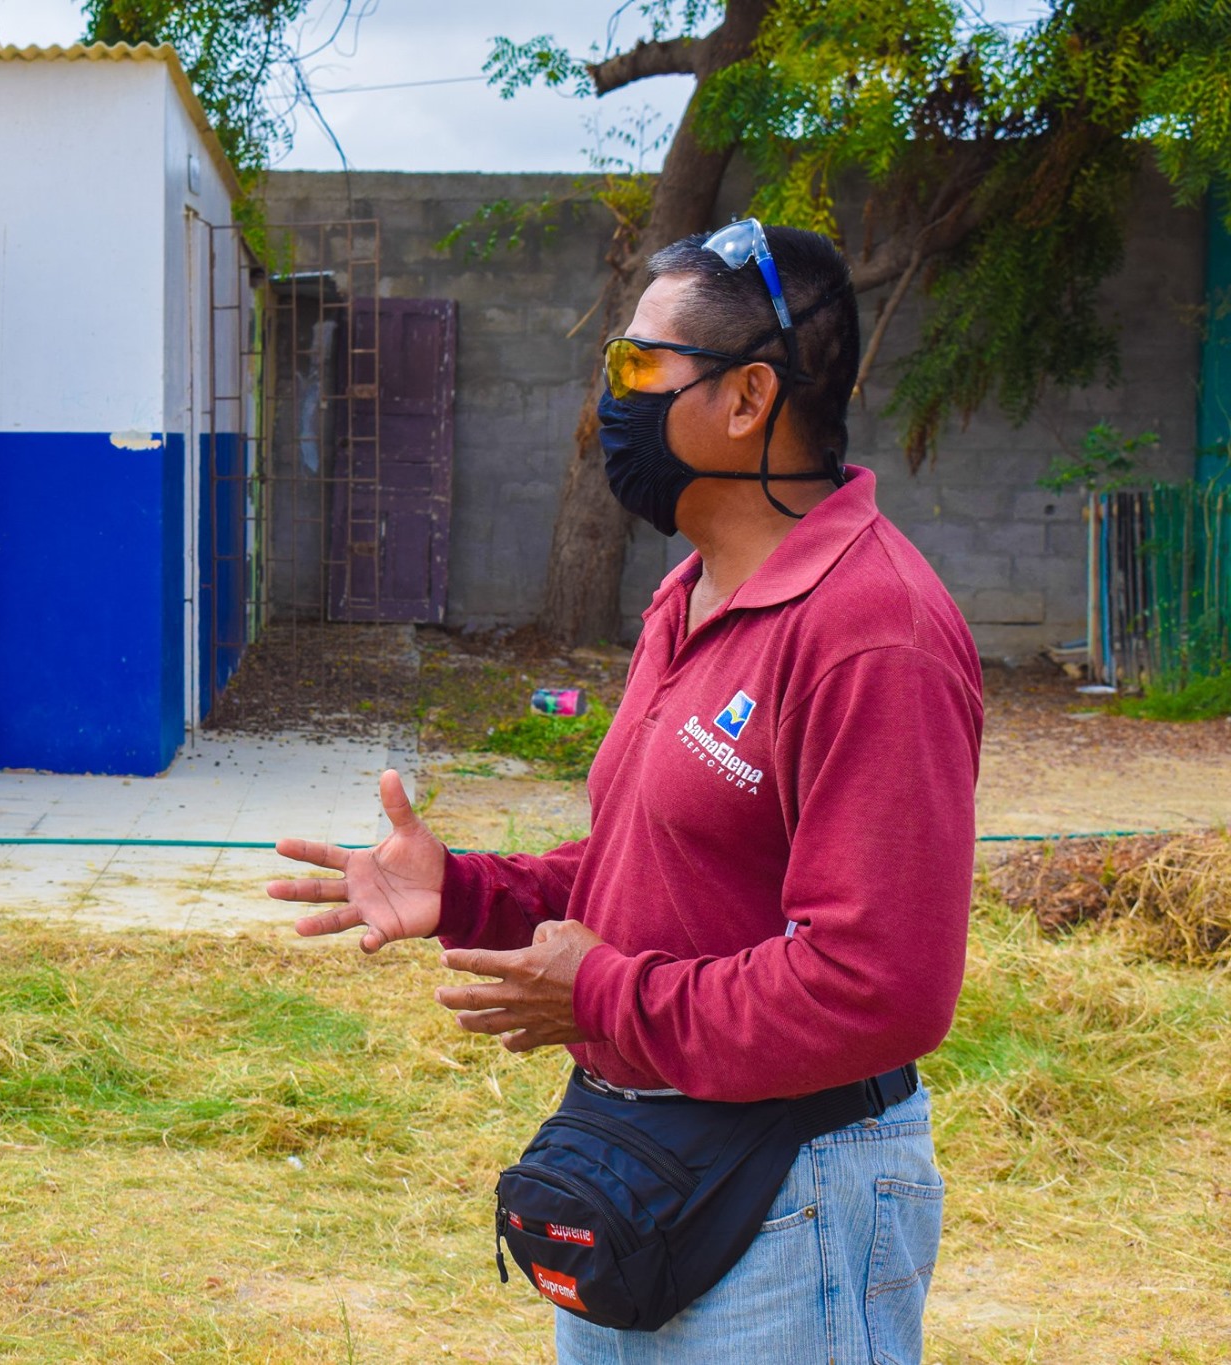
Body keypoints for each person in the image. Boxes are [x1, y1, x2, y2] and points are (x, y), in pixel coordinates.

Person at [271, 222, 981, 1363]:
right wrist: (469, 891)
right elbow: (654, 860)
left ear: (747, 397)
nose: (610, 396)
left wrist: (601, 994)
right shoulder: (688, 593)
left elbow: (878, 988)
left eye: (637, 365)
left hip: (787, 1193)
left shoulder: (873, 631)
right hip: (637, 1167)